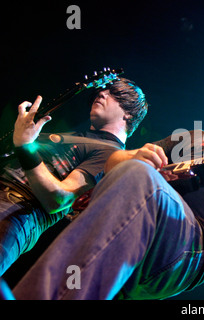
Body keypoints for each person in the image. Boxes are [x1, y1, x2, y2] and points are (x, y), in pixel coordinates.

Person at [11, 74, 204, 300]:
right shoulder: (195, 137)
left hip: (186, 252)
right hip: (126, 230)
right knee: (136, 172)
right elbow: (115, 163)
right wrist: (135, 154)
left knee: (140, 177)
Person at [0, 77, 148, 277]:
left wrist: (25, 148)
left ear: (129, 115)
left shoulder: (112, 155)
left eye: (116, 94)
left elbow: (59, 199)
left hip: (15, 209)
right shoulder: (81, 136)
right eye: (102, 91)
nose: (102, 94)